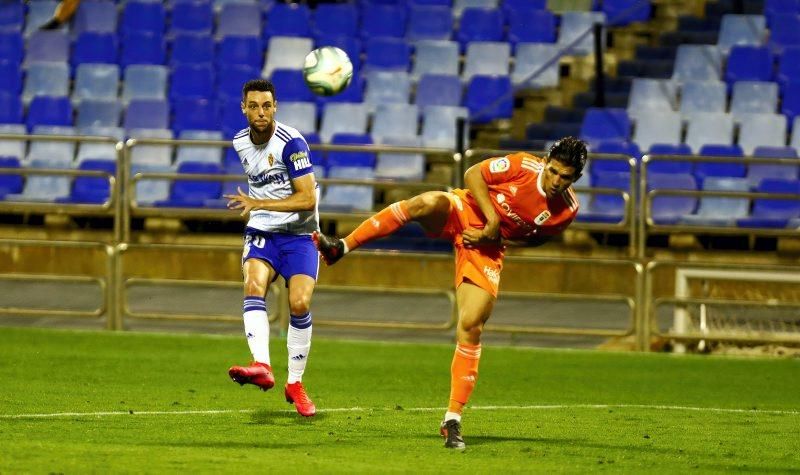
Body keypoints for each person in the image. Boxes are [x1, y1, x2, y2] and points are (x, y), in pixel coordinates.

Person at [313, 137, 587, 448]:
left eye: (565, 177)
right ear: (546, 161)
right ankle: (342, 247)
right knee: (423, 203)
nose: (555, 181)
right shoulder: (522, 164)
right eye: (553, 171)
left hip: (486, 246)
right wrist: (493, 219)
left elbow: (538, 238)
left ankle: (452, 419)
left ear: (576, 178)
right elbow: (473, 174)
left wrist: (494, 237)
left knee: (471, 325)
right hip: (465, 209)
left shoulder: (567, 210)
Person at [224, 79, 320, 417]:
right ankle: (261, 365)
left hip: (299, 234)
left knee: (299, 302)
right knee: (253, 285)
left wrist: (257, 200)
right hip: (263, 231)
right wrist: (258, 206)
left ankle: (295, 383)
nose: (261, 112)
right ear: (244, 108)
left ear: (275, 107)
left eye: (267, 106)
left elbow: (307, 199)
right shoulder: (239, 141)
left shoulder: (291, 144)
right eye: (254, 106)